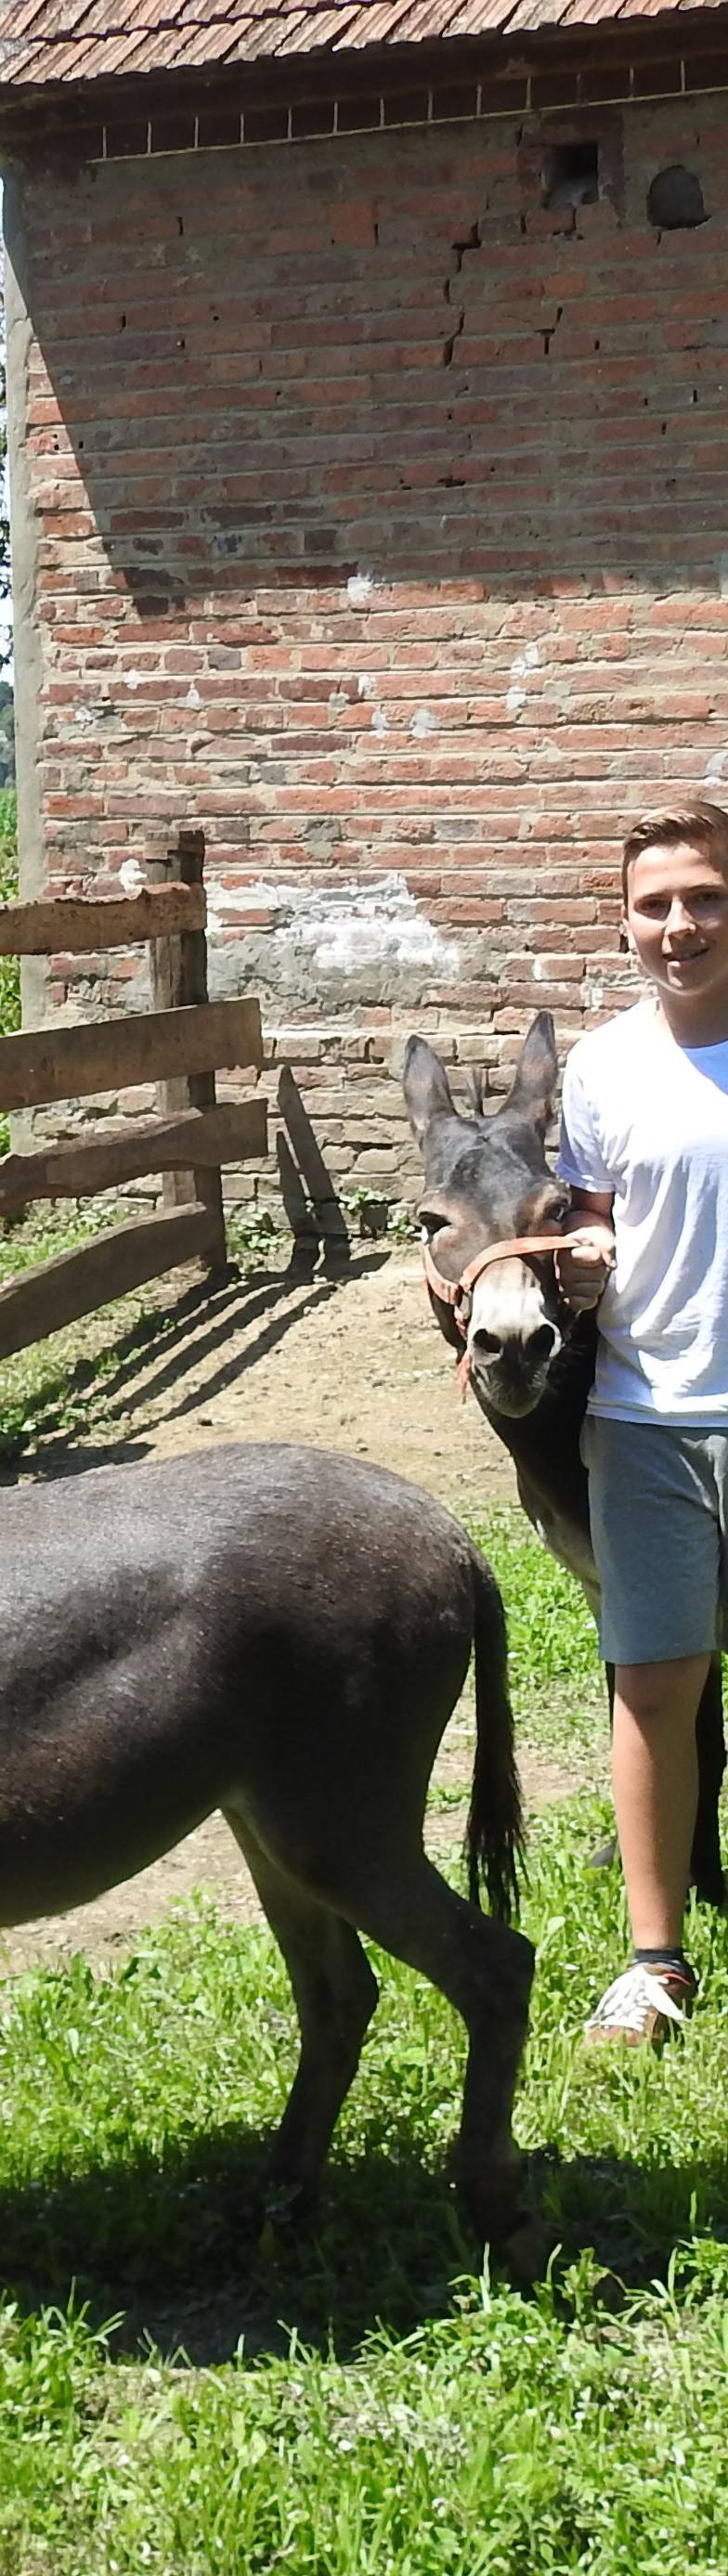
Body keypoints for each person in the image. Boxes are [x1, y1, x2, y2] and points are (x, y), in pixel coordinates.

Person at [556, 797, 728, 2045]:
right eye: (657, 904)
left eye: (706, 897)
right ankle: (655, 1959)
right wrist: (584, 1247)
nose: (681, 925)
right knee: (655, 1681)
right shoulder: (603, 1067)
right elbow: (593, 1212)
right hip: (651, 1412)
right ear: (625, 924)